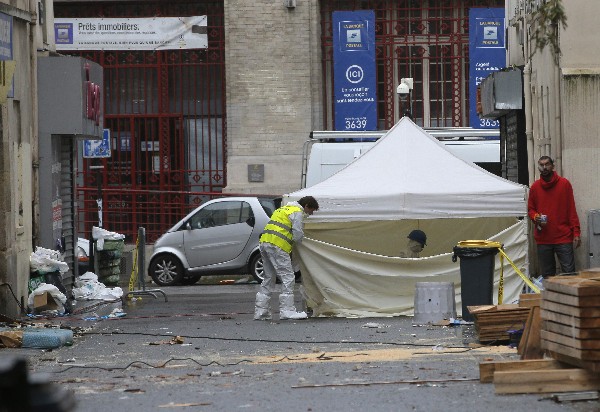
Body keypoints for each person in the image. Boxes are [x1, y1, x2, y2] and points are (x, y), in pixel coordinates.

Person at [254, 196, 319, 320]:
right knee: (288, 277)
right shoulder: (297, 212)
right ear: (306, 206)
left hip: (265, 243)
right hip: (278, 245)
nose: (310, 214)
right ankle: (287, 311)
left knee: (269, 277)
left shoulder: (283, 209)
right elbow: (297, 234)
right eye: (311, 211)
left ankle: (261, 312)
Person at [528, 156, 581, 278]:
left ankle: (569, 297)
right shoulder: (535, 187)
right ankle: (551, 298)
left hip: (563, 237)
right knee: (547, 277)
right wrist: (535, 217)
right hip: (543, 238)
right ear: (538, 168)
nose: (544, 167)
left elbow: (571, 209)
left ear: (553, 166)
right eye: (541, 165)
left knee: (569, 274)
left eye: (547, 164)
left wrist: (576, 232)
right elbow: (531, 209)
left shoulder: (564, 184)